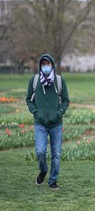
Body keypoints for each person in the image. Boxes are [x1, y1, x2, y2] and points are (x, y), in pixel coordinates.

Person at [26, 54, 70, 189]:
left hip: (56, 124)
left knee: (56, 154)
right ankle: (43, 170)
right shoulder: (34, 81)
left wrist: (59, 113)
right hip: (40, 123)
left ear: (52, 65)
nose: (46, 66)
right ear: (40, 65)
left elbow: (66, 100)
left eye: (48, 64)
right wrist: (35, 112)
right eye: (43, 64)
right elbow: (29, 99)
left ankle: (52, 181)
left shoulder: (59, 81)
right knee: (40, 152)